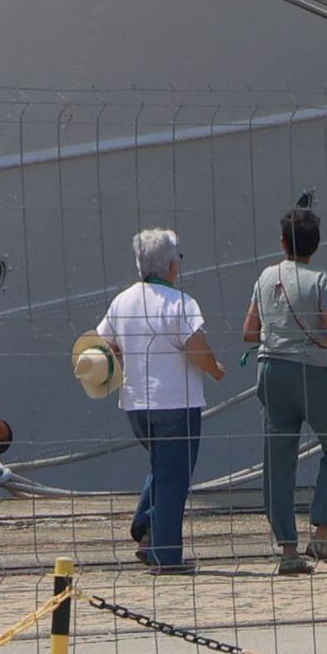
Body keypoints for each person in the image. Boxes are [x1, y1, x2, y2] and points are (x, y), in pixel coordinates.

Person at [102, 227, 224, 571]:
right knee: (176, 475)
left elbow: (103, 343)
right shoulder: (181, 303)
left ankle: (146, 526)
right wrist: (214, 369)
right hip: (175, 401)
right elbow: (196, 349)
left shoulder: (121, 301)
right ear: (171, 266)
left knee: (162, 463)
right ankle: (165, 555)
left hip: (135, 402)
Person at [247, 201, 327, 577]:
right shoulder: (322, 280)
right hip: (311, 372)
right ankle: (322, 534)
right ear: (317, 245)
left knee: (278, 462)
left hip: (270, 371)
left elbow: (249, 331)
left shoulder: (265, 277)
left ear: (282, 243)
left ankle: (287, 549)